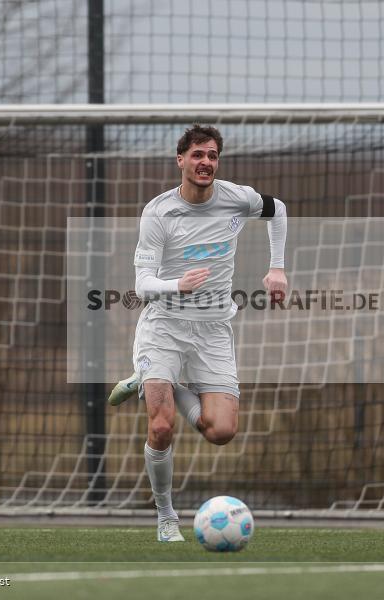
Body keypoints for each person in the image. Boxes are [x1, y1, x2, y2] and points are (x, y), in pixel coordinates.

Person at [107, 124, 287, 542]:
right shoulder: (158, 212)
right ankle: (167, 516)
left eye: (212, 156)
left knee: (221, 432)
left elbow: (277, 209)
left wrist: (276, 266)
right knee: (162, 425)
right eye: (197, 155)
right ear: (181, 161)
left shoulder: (236, 198)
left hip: (213, 330)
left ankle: (152, 380)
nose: (205, 162)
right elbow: (141, 285)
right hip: (164, 326)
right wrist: (177, 285)